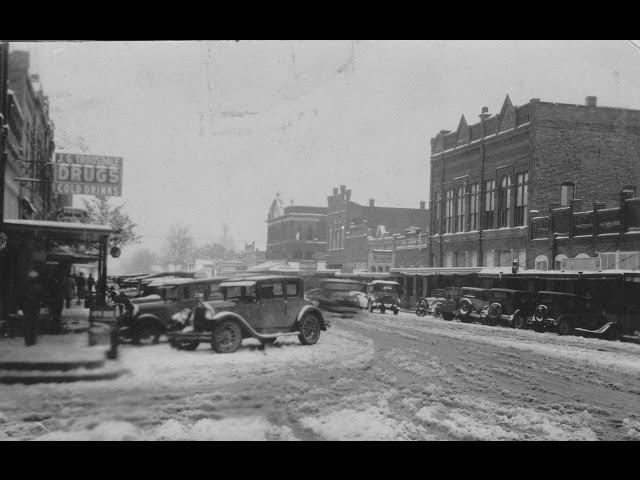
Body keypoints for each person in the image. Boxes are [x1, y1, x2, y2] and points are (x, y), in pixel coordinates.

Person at [19, 270, 45, 346]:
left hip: (26, 307)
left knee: (27, 324)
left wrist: (20, 307)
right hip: (36, 307)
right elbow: (42, 296)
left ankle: (27, 341)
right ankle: (33, 340)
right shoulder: (39, 286)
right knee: (34, 323)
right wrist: (43, 304)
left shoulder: (24, 286)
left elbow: (20, 297)